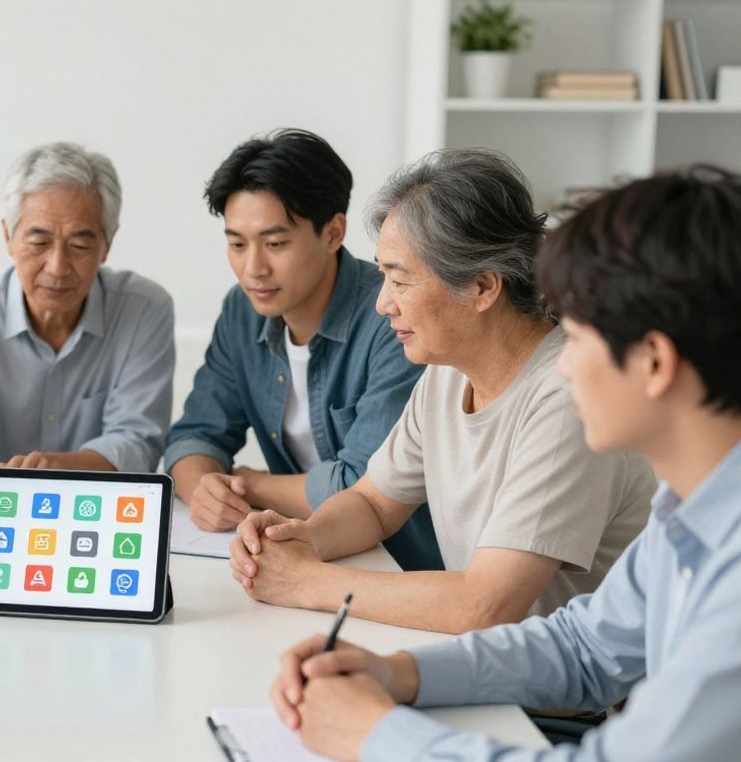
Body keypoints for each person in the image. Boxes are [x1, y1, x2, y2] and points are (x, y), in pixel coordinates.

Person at [267, 165, 741, 761]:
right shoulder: (688, 512)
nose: (566, 362)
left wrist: (372, 734)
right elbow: (584, 649)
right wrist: (396, 673)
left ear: (653, 362)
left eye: (584, 336)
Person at [231, 149, 655, 634]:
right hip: (492, 669)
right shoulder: (448, 372)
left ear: (481, 287)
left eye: (400, 279)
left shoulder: (568, 400)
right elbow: (373, 504)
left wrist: (307, 582)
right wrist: (303, 538)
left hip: (562, 706)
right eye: (382, 275)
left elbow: (486, 606)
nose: (382, 303)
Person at [166, 129, 439, 571]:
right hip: (302, 553)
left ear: (333, 233)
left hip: (402, 565)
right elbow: (194, 435)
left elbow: (363, 485)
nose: (253, 268)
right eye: (237, 244)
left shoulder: (392, 318)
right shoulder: (243, 311)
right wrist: (203, 488)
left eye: (275, 244)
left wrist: (248, 483)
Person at [0, 142, 176, 497]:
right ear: (8, 236)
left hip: (96, 512)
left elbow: (137, 442)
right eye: (38, 242)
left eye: (80, 246)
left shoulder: (144, 309)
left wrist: (50, 471)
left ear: (107, 244)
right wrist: (2, 488)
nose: (57, 267)